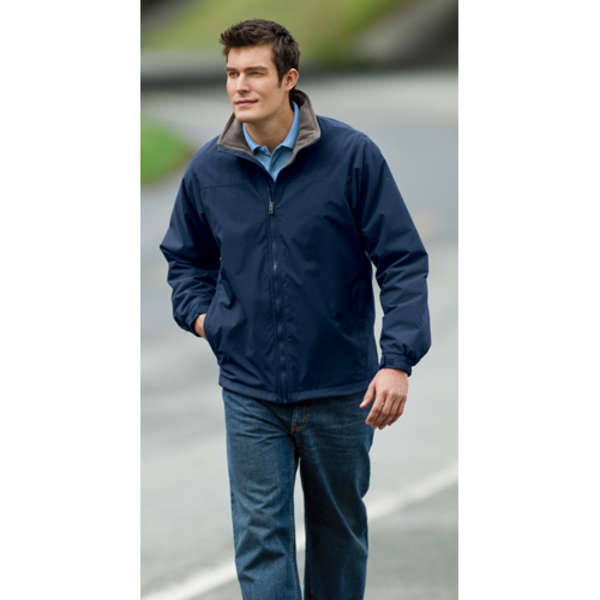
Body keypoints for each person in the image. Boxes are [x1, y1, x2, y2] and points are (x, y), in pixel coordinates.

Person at [159, 18, 431, 600]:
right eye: (232, 73)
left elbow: (402, 260)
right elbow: (185, 260)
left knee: (337, 535)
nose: (240, 86)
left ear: (289, 79)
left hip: (342, 388)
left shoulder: (351, 156)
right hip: (250, 389)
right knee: (260, 537)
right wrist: (207, 320)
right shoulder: (209, 168)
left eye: (255, 73)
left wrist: (397, 361)